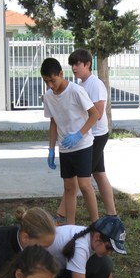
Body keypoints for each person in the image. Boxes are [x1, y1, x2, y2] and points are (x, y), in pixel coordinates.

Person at [55, 49, 117, 222]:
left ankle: (61, 214)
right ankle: (112, 213)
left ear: (88, 64)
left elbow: (96, 113)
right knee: (98, 173)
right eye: (72, 64)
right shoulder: (81, 85)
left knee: (77, 179)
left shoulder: (95, 84)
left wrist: (79, 134)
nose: (74, 68)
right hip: (88, 135)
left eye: (77, 64)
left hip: (95, 135)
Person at [41, 57, 100, 226]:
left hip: (82, 144)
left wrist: (79, 134)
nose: (51, 85)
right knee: (69, 187)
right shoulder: (48, 96)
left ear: (61, 74)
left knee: (84, 184)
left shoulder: (75, 91)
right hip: (65, 147)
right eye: (47, 82)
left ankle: (96, 224)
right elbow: (53, 121)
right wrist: (51, 148)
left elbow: (95, 114)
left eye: (53, 80)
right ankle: (70, 225)